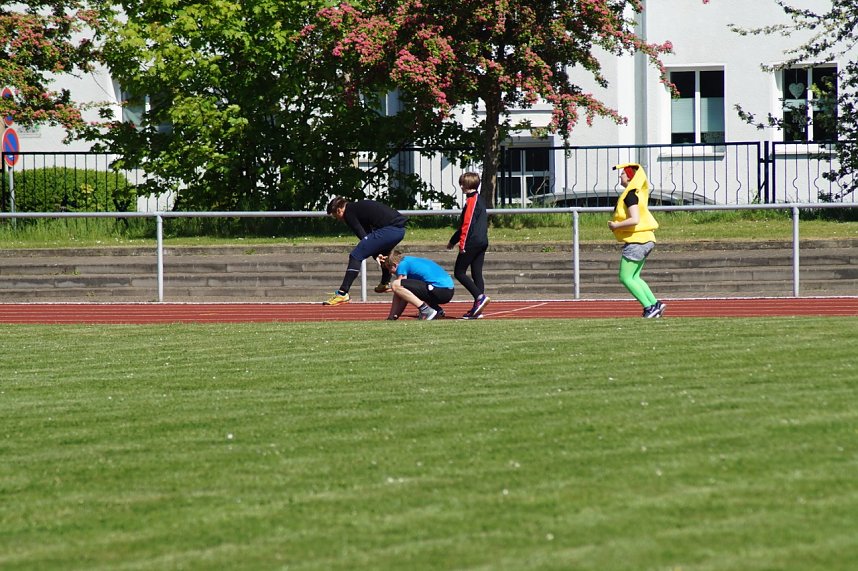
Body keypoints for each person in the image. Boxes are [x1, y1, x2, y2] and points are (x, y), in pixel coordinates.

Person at [323, 197, 408, 305]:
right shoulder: (357, 208)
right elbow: (368, 234)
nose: (339, 219)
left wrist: (374, 253)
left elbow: (362, 235)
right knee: (384, 254)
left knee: (355, 255)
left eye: (336, 216)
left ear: (339, 210)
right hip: (399, 230)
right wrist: (376, 253)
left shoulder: (348, 212)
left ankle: (342, 293)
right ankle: (385, 283)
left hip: (390, 230)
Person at [608, 163, 666, 318]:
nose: (620, 176)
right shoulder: (636, 194)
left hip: (638, 240)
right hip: (646, 239)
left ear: (629, 177)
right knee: (635, 277)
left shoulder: (630, 195)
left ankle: (649, 308)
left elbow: (635, 219)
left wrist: (616, 225)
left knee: (625, 277)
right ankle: (655, 304)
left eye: (622, 174)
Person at [447, 171, 490, 319]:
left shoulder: (472, 201)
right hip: (482, 241)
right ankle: (478, 309)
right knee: (476, 273)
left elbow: (467, 225)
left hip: (472, 242)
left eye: (462, 183)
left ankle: (479, 297)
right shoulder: (479, 199)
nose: (460, 186)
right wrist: (453, 240)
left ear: (467, 185)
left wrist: (462, 244)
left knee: (459, 272)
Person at [380, 250, 455, 321]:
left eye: (389, 268)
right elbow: (402, 294)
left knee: (396, 284)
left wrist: (393, 316)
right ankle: (437, 310)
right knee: (401, 287)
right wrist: (393, 317)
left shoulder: (402, 264)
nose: (390, 272)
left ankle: (426, 310)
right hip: (447, 290)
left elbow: (399, 290)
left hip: (440, 290)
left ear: (394, 264)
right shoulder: (409, 261)